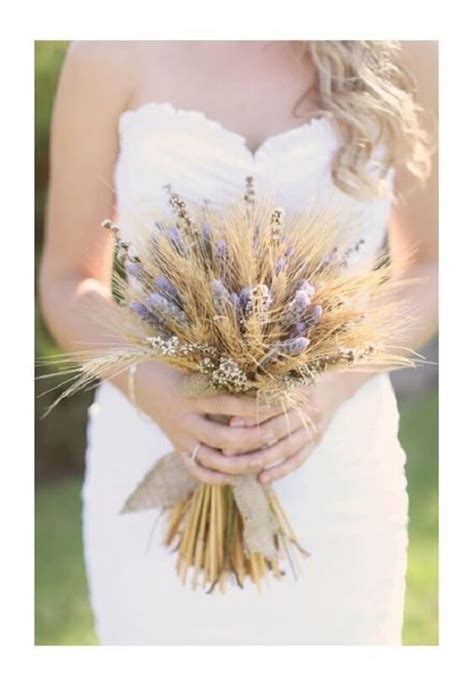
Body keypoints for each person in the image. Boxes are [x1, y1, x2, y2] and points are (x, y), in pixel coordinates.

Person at [39, 40, 438, 645]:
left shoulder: (407, 40)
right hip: (150, 439)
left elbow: (436, 266)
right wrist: (159, 395)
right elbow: (69, 279)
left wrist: (328, 391)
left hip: (333, 468)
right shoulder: (110, 44)